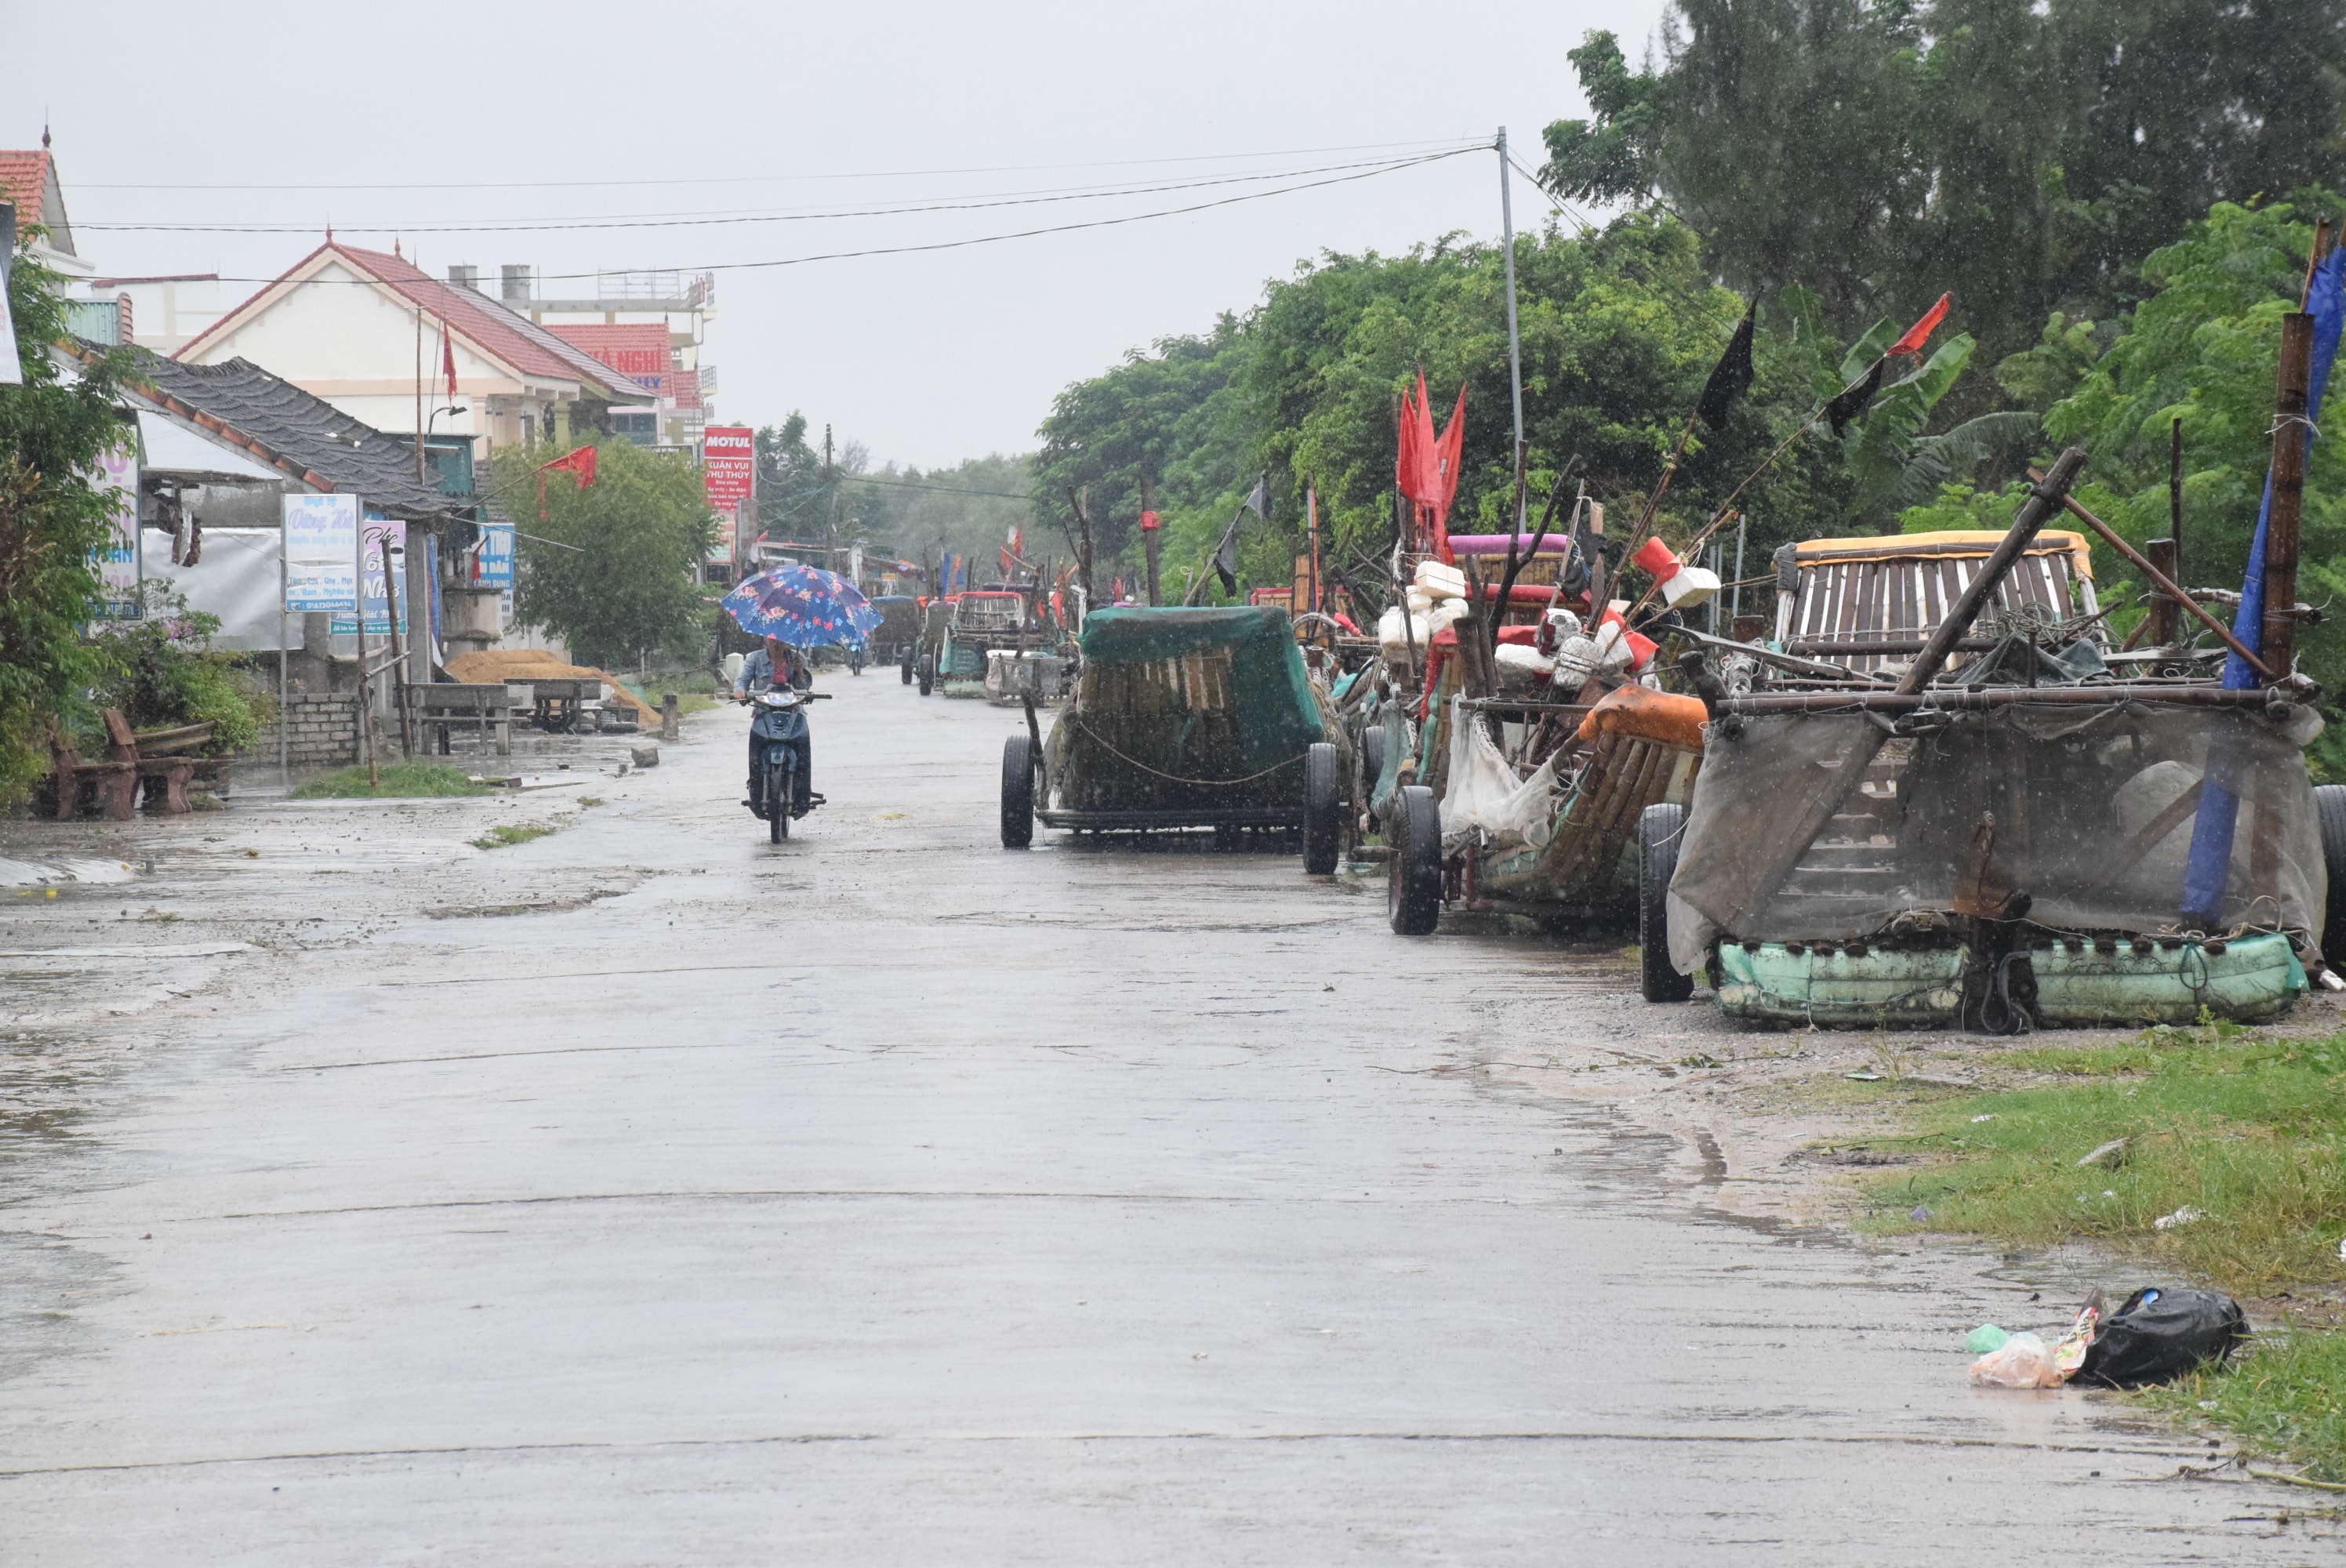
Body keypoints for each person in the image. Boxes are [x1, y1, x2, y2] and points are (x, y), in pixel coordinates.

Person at [734, 636, 813, 818]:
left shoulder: (798, 658)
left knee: (803, 750)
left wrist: (800, 671)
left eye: (781, 638)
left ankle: (802, 796)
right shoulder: (754, 659)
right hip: (764, 713)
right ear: (764, 640)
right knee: (755, 751)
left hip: (794, 714)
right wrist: (740, 691)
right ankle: (755, 789)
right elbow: (742, 681)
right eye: (772, 638)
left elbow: (805, 688)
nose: (777, 642)